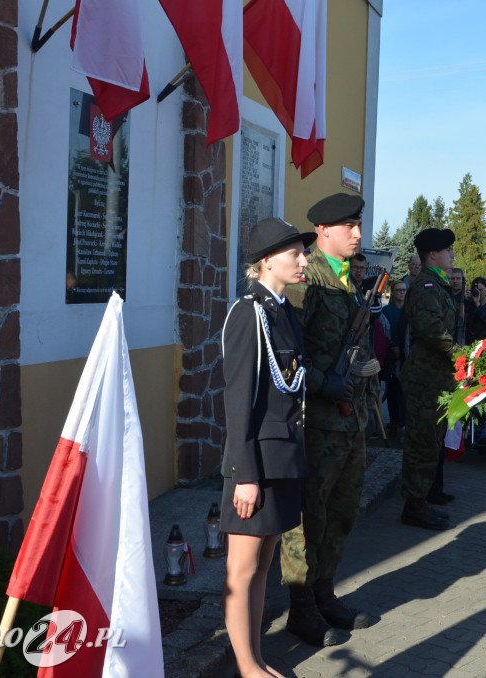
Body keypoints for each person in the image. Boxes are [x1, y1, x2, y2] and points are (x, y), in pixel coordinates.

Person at [280, 194, 376, 648]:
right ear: (323, 231)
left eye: (358, 224)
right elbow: (288, 354)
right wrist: (325, 384)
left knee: (342, 515)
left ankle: (324, 594)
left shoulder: (346, 281)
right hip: (316, 424)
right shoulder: (306, 280)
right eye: (349, 226)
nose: (357, 233)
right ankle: (301, 609)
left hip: (349, 423)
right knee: (308, 520)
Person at [221, 217, 315, 678]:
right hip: (256, 463)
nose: (304, 259)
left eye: (303, 251)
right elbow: (238, 400)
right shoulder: (248, 312)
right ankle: (246, 666)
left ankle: (255, 657)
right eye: (295, 253)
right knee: (241, 570)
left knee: (262, 566)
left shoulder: (284, 312)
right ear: (266, 261)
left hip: (284, 457)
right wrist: (245, 474)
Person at [400, 228, 459, 530]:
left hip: (437, 379)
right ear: (433, 254)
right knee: (421, 443)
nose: (453, 254)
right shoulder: (426, 286)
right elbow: (432, 330)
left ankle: (421, 500)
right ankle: (414, 505)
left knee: (431, 442)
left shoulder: (438, 284)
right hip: (424, 380)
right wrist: (463, 356)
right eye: (448, 250)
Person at [380, 279, 407, 439]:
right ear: (392, 292)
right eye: (398, 290)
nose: (401, 293)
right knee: (393, 391)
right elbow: (386, 331)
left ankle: (402, 422)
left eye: (403, 290)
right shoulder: (387, 310)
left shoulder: (409, 309)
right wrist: (394, 348)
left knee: (404, 392)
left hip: (406, 353)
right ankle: (394, 423)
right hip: (392, 355)